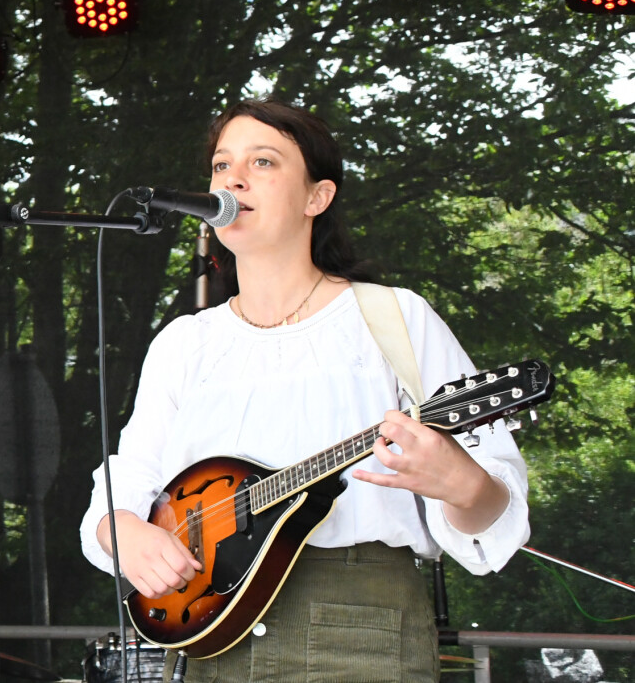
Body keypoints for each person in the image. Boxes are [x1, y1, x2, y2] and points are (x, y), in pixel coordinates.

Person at [78, 99, 529, 681]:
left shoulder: (394, 318)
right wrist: (126, 532)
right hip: (208, 636)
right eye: (221, 166)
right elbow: (127, 480)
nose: (233, 179)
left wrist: (463, 485)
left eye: (263, 162)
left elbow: (496, 497)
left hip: (358, 633)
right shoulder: (185, 343)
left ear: (318, 197)